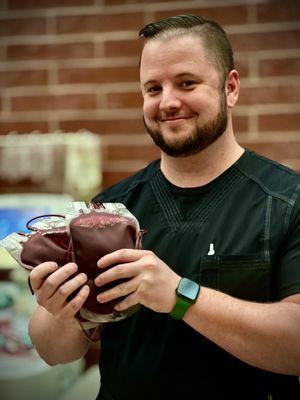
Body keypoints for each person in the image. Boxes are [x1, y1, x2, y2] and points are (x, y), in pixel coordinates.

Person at [28, 14, 300, 400]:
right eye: (153, 88)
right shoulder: (108, 210)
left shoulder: (288, 202)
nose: (168, 102)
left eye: (186, 83)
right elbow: (53, 352)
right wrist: (59, 310)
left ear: (231, 87)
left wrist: (178, 296)